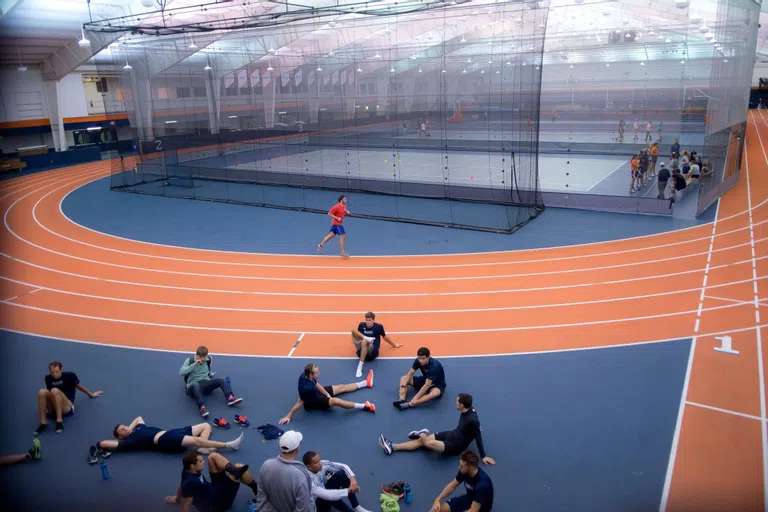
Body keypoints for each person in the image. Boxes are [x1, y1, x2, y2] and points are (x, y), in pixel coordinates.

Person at [378, 393, 495, 465]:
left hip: (455, 447)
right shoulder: (469, 410)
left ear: (462, 405)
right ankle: (392, 447)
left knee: (427, 443)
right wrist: (476, 429)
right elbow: (474, 426)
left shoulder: (472, 420)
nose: (455, 402)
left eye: (457, 401)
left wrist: (483, 456)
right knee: (421, 442)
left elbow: (478, 438)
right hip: (452, 434)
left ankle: (422, 433)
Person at [92, 416, 244, 459]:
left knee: (206, 426)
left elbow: (138, 418)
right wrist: (100, 444)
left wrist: (130, 429)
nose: (125, 428)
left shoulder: (138, 428)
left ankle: (204, 449)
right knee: (197, 439)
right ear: (120, 436)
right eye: (122, 430)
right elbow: (107, 443)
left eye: (124, 426)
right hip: (165, 441)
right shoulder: (130, 442)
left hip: (171, 432)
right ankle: (230, 445)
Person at [279, 364, 375, 425]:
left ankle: (366, 383)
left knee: (341, 387)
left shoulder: (306, 375)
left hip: (316, 392)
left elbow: (317, 384)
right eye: (317, 372)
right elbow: (300, 402)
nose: (319, 373)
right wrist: (288, 416)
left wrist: (327, 394)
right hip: (314, 402)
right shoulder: (307, 389)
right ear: (311, 375)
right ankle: (365, 406)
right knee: (336, 401)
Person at [164, 451, 259, 512]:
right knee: (239, 466)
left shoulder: (186, 471)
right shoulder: (191, 483)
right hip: (219, 503)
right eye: (200, 462)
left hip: (214, 489)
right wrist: (179, 500)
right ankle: (257, 490)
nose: (203, 462)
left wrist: (177, 498)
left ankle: (235, 471)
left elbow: (181, 486)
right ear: (193, 466)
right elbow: (185, 505)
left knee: (212, 456)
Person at [35, 361, 103, 434]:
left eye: (57, 372)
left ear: (61, 369)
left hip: (67, 407)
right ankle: (43, 423)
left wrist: (90, 394)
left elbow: (79, 386)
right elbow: (49, 394)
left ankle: (59, 421)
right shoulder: (47, 378)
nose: (54, 374)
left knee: (54, 390)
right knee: (41, 392)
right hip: (54, 407)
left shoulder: (70, 375)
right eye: (52, 372)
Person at [255, 430, 314, 512]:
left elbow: (261, 497)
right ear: (297, 448)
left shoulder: (266, 465)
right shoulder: (301, 476)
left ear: (280, 447)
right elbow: (304, 508)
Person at [180, 346, 242, 418]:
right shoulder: (189, 360)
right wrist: (194, 364)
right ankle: (202, 408)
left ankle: (231, 398)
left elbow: (208, 370)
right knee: (196, 385)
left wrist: (211, 374)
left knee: (221, 379)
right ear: (197, 355)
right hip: (192, 387)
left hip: (205, 384)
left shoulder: (208, 359)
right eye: (200, 357)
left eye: (204, 357)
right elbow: (181, 372)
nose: (203, 359)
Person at [303, 451, 373, 512]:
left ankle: (357, 507)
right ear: (309, 467)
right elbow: (327, 495)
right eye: (316, 462)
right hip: (317, 507)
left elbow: (343, 466)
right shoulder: (309, 480)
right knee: (330, 496)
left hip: (324, 494)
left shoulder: (321, 465)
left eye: (319, 460)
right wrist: (349, 490)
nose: (320, 463)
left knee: (342, 474)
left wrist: (353, 480)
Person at [351, 312, 402, 377]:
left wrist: (394, 345)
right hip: (361, 352)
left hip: (372, 352)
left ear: (373, 320)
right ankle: (367, 338)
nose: (367, 322)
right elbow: (358, 334)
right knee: (353, 330)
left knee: (364, 341)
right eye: (366, 320)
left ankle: (359, 367)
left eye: (369, 320)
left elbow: (385, 337)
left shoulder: (378, 327)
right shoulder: (361, 325)